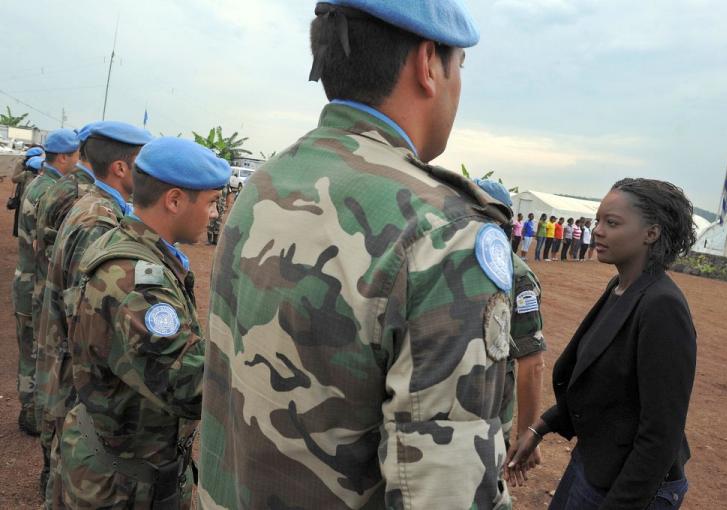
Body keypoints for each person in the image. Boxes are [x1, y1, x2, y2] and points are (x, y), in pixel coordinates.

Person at [199, 2, 516, 509]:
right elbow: (445, 494)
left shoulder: (268, 181)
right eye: (461, 65)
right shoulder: (441, 233)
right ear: (428, 63)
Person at [59, 137, 229, 509]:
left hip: (125, 464)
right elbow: (188, 388)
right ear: (174, 200)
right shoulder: (137, 284)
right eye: (213, 202)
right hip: (122, 486)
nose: (216, 215)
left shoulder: (132, 247)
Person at [506, 178, 698, 509]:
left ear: (651, 233)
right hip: (594, 464)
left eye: (612, 223)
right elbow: (599, 388)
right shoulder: (620, 288)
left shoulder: (662, 307)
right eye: (597, 221)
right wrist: (539, 428)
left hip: (628, 486)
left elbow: (660, 435)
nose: (597, 231)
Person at [36, 121, 152, 507]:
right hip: (77, 376)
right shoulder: (98, 222)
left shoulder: (93, 208)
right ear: (120, 168)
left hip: (69, 368)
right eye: (142, 163)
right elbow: (87, 317)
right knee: (73, 478)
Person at [32, 123, 99, 496]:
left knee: (51, 389)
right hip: (59, 305)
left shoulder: (64, 190)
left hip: (46, 291)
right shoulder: (77, 197)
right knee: (61, 399)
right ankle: (52, 478)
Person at [473, 180, 547, 510]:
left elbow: (531, 362)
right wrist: (528, 433)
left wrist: (529, 433)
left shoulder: (515, 275)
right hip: (484, 412)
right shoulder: (514, 272)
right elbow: (532, 364)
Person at [12, 129, 79, 440]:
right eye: (76, 156)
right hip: (35, 286)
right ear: (64, 157)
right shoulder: (50, 191)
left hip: (27, 283)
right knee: (36, 353)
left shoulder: (39, 184)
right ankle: (32, 414)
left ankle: (31, 410)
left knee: (30, 351)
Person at [9, 146, 44, 237]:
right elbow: (14, 179)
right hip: (23, 195)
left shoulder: (42, 164)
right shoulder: (21, 163)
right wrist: (26, 174)